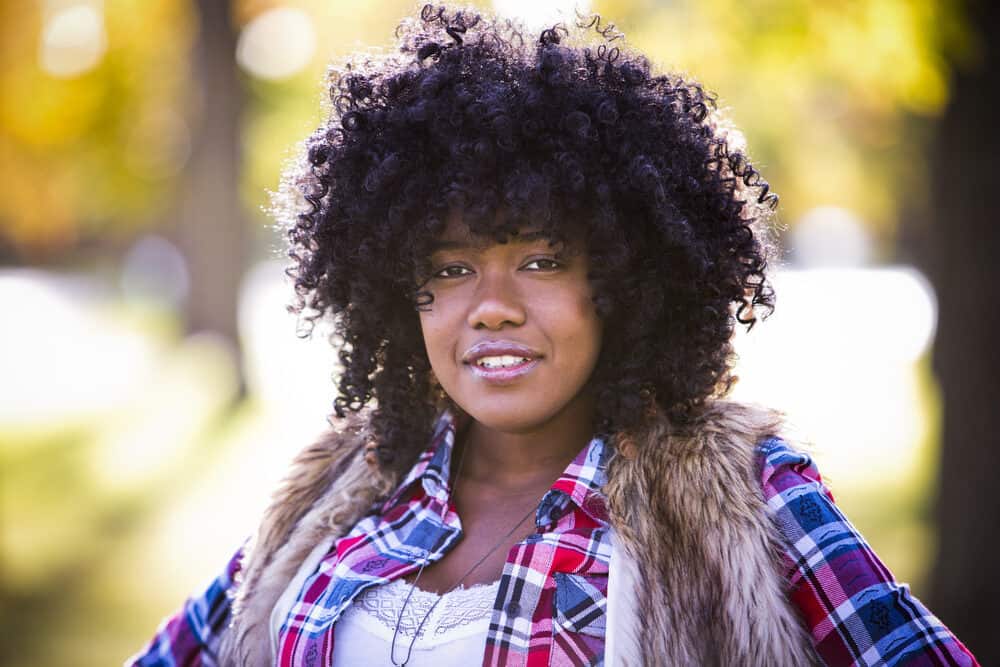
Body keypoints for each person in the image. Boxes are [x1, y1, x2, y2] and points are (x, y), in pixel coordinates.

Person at [128, 5, 979, 666]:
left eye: (541, 261)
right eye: (451, 268)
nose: (491, 306)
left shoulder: (738, 495)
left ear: (623, 281)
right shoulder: (338, 490)